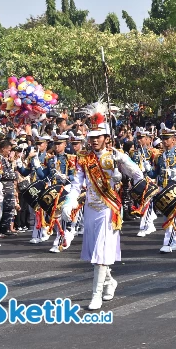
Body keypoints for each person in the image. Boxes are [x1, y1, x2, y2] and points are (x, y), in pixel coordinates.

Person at [61, 102, 143, 310]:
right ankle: (109, 282)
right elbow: (77, 182)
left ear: (106, 138)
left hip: (109, 208)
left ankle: (95, 294)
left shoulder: (115, 155)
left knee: (100, 252)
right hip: (90, 208)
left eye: (99, 137)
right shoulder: (83, 158)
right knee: (96, 252)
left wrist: (121, 169)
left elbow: (138, 175)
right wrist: (70, 201)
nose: (95, 140)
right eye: (92, 137)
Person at [149, 123, 176, 253]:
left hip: (175, 188)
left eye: (167, 139)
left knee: (171, 216)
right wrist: (146, 169)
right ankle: (175, 241)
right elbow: (154, 173)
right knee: (167, 216)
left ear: (173, 139)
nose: (165, 141)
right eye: (163, 139)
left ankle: (168, 243)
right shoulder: (159, 156)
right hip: (162, 188)